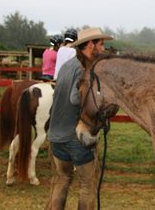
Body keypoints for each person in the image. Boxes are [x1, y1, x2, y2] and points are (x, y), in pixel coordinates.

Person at [46, 27, 113, 210]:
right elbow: (75, 98)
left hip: (55, 135)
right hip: (75, 136)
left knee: (61, 180)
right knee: (87, 184)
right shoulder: (86, 67)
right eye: (101, 44)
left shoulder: (67, 64)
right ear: (91, 44)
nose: (103, 48)